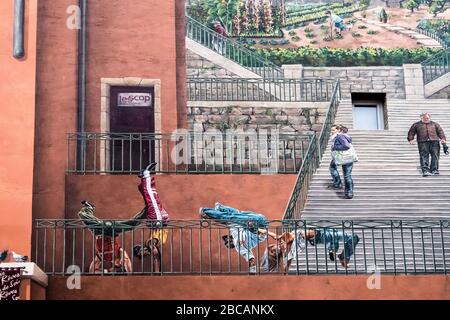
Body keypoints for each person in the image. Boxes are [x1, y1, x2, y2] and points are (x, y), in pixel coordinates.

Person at [200, 203, 277, 273]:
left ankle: (207, 210)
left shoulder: (234, 230)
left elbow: (224, 221)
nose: (227, 244)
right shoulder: (240, 247)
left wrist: (210, 217)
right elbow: (251, 259)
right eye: (226, 244)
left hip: (255, 219)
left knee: (233, 216)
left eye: (226, 241)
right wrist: (252, 269)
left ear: (230, 237)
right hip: (260, 227)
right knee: (234, 216)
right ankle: (219, 207)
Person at [78, 200, 147, 273]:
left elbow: (92, 270)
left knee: (82, 214)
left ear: (113, 264)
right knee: (131, 225)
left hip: (97, 232)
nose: (120, 263)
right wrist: (128, 273)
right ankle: (147, 210)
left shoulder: (103, 257)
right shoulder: (120, 252)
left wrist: (106, 271)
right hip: (110, 231)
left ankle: (89, 208)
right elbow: (127, 261)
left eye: (118, 265)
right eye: (121, 264)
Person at [134, 162, 170, 271]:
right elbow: (156, 257)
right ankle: (144, 177)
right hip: (159, 221)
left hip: (157, 220)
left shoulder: (149, 244)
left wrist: (157, 271)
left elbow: (155, 258)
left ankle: (146, 175)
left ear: (141, 250)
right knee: (153, 197)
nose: (145, 255)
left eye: (141, 255)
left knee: (151, 197)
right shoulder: (151, 245)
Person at [329, 125, 355, 199]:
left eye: (333, 130)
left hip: (342, 157)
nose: (331, 132)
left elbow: (346, 146)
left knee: (335, 169)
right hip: (347, 157)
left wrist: (335, 147)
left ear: (338, 130)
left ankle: (342, 186)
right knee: (346, 175)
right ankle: (348, 191)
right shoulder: (345, 136)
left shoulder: (340, 136)